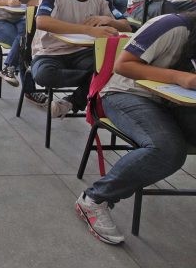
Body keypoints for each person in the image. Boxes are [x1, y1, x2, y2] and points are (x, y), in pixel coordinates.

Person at [76, 12, 196, 245]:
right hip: (128, 95)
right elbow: (123, 65)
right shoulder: (172, 25)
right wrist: (179, 78)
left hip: (175, 103)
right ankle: (94, 199)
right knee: (167, 149)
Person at [31, 0, 131, 115]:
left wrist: (109, 20)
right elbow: (42, 21)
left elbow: (126, 25)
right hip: (50, 52)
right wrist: (87, 30)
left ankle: (71, 102)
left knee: (112, 68)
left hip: (83, 53)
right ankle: (93, 81)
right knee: (45, 75)